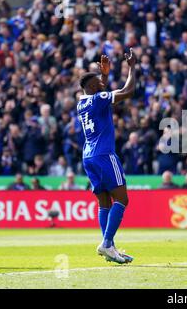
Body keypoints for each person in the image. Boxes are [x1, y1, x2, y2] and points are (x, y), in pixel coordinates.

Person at [77, 52, 136, 264]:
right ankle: (107, 242)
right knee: (122, 199)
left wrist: (103, 77)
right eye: (99, 84)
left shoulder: (82, 102)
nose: (102, 85)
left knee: (104, 203)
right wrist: (132, 67)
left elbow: (98, 92)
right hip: (104, 154)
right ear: (93, 88)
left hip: (89, 156)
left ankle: (109, 247)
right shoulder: (98, 98)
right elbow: (128, 91)